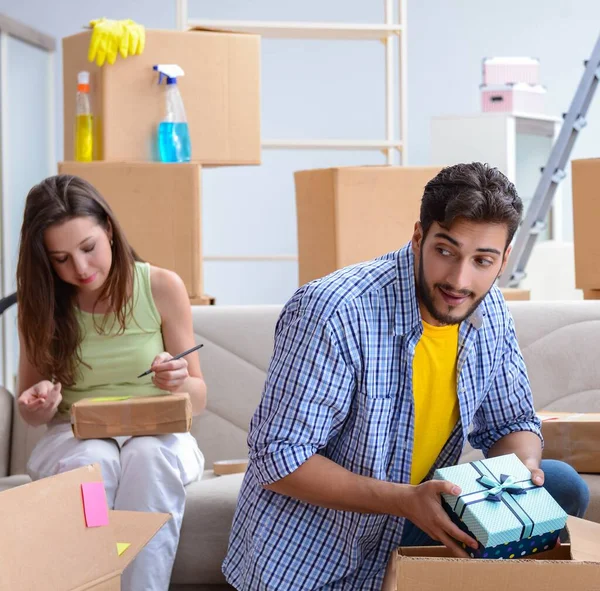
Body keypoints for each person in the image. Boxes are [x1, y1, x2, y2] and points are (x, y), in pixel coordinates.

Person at [223, 162, 589, 590]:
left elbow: (510, 423)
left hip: (413, 518)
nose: (459, 279)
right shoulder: (334, 311)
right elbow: (278, 458)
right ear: (419, 237)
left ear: (504, 259)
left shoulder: (488, 311)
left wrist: (522, 474)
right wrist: (406, 501)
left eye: (482, 260)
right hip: (315, 556)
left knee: (559, 486)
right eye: (445, 251)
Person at [16, 174, 206, 591]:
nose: (80, 269)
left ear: (109, 230)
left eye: (88, 249)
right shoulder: (42, 304)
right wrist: (38, 404)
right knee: (95, 462)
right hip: (74, 436)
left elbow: (199, 396)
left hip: (160, 434)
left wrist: (177, 381)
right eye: (60, 258)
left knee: (148, 456)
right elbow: (28, 409)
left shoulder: (160, 286)